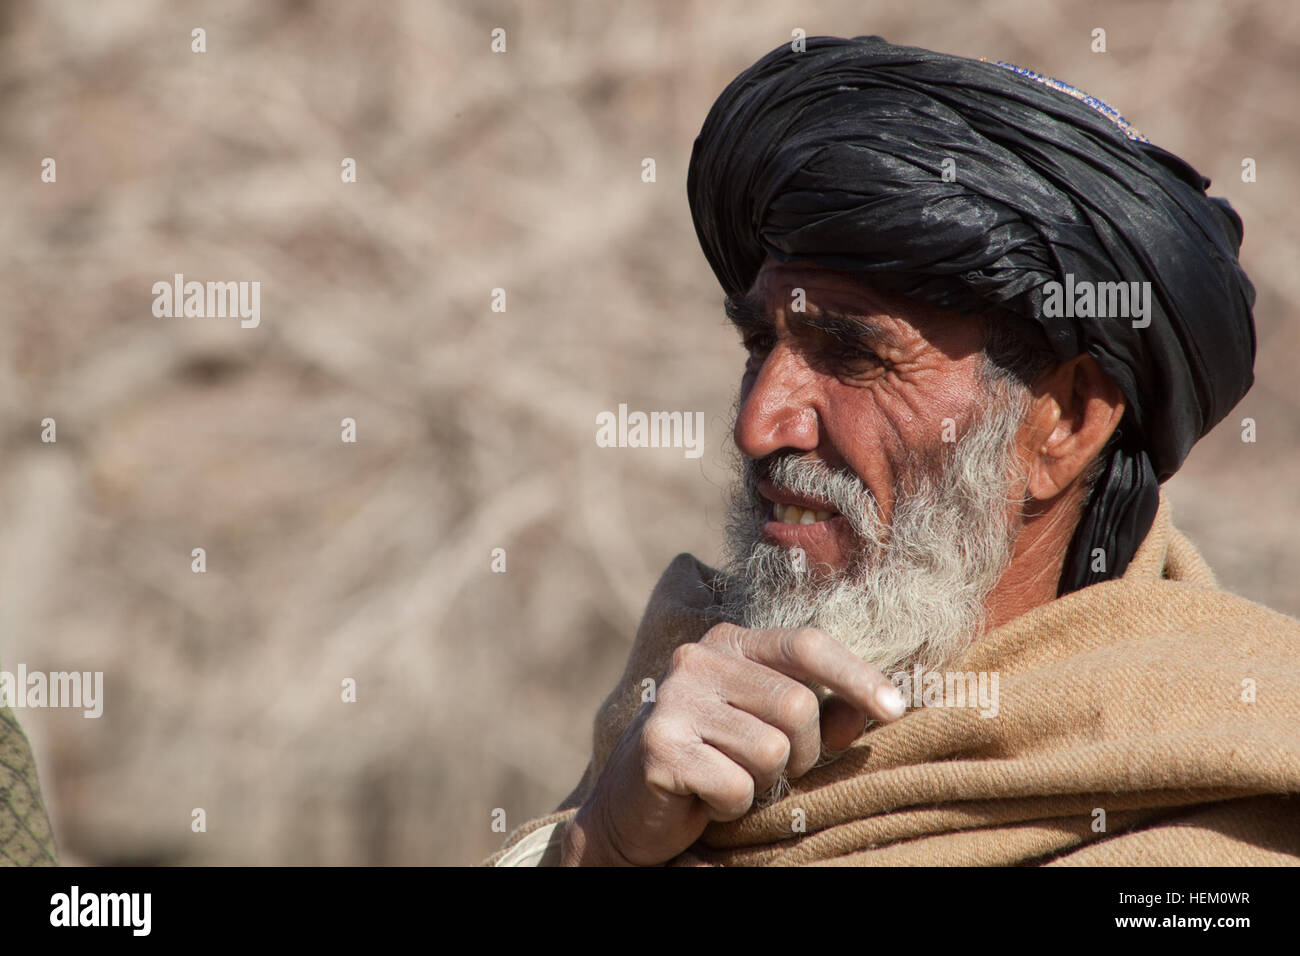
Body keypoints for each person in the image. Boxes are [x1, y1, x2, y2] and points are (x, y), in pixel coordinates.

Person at [487, 35, 1300, 867]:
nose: (761, 425)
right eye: (758, 345)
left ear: (1065, 421)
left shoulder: (1226, 805)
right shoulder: (668, 715)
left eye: (854, 357)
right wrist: (599, 846)